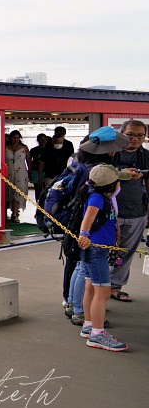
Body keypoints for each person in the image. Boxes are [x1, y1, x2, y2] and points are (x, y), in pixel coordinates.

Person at [75, 164, 131, 351]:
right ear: (111, 186)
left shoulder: (95, 194)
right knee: (103, 292)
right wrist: (84, 234)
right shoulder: (97, 199)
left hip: (95, 250)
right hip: (96, 251)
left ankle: (89, 325)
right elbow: (88, 219)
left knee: (91, 287)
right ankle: (97, 335)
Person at [110, 119, 149, 303]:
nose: (135, 139)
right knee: (102, 252)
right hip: (108, 213)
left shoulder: (145, 156)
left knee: (124, 253)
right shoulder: (109, 154)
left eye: (140, 135)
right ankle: (97, 286)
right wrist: (122, 173)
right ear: (122, 134)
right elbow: (93, 176)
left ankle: (115, 286)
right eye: (130, 134)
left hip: (137, 212)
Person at [5, 130, 31, 223]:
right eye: (14, 138)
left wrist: (30, 171)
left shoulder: (24, 148)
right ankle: (7, 211)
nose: (16, 140)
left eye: (17, 138)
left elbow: (28, 161)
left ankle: (15, 213)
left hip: (21, 173)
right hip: (8, 172)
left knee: (19, 191)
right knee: (7, 191)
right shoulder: (6, 147)